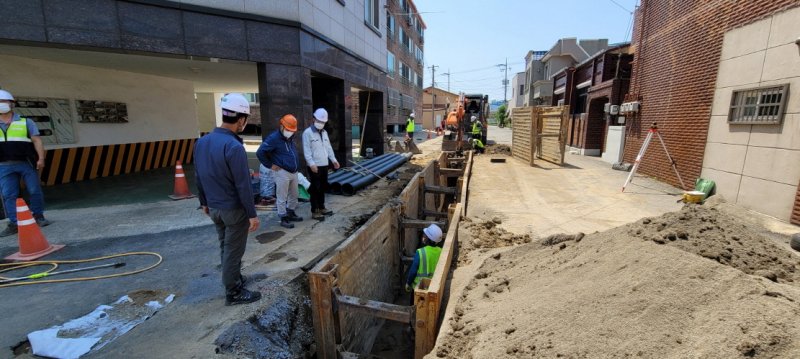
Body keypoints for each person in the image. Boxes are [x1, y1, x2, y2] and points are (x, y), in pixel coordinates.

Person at [194, 93, 261, 306]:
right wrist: (252, 214)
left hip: (214, 207)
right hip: (233, 210)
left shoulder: (202, 142)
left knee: (225, 246)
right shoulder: (234, 147)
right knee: (234, 249)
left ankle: (234, 279)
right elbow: (243, 185)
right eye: (245, 120)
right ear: (241, 119)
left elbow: (198, 174)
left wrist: (204, 202)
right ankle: (233, 292)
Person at [0, 89, 50, 237]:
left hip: (26, 163)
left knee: (34, 190)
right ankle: (14, 222)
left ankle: (38, 216)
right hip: (3, 165)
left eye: (4, 102)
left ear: (11, 104)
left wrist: (41, 158)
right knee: (9, 194)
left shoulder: (25, 122)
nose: (2, 105)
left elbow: (37, 140)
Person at [257, 114, 303, 229]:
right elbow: (260, 152)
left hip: (293, 171)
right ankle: (283, 217)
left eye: (292, 130)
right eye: (288, 129)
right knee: (282, 196)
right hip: (282, 171)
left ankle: (291, 212)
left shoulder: (289, 137)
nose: (290, 132)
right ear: (281, 126)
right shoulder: (273, 138)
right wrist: (270, 165)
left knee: (294, 194)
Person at [302, 108, 340, 221]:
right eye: (319, 121)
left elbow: (328, 148)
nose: (321, 123)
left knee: (323, 187)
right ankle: (315, 210)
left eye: (323, 122)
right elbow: (307, 151)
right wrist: (311, 164)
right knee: (315, 188)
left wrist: (333, 160)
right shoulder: (307, 133)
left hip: (324, 164)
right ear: (313, 119)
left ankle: (322, 207)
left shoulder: (324, 133)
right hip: (314, 166)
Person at [405, 224, 444, 292]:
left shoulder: (420, 252)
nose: (424, 236)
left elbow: (413, 271)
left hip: (419, 287)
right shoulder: (441, 251)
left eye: (425, 235)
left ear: (429, 238)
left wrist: (408, 283)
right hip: (434, 286)